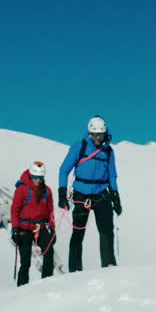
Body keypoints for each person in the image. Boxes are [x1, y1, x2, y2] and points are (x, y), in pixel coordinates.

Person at [58, 115, 121, 270]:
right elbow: (64, 170)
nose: (98, 138)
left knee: (107, 231)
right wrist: (62, 193)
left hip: (101, 193)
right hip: (81, 193)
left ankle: (109, 266)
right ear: (90, 133)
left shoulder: (108, 152)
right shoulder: (80, 147)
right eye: (95, 135)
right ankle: (74, 270)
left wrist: (115, 196)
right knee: (78, 233)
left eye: (100, 134)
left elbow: (112, 175)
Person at [11, 161, 56, 286]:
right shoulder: (22, 190)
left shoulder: (47, 191)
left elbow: (50, 211)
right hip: (24, 228)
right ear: (31, 175)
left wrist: (52, 228)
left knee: (49, 253)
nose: (39, 181)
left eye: (41, 178)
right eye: (36, 178)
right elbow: (15, 209)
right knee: (25, 261)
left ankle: (46, 283)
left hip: (41, 228)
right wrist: (15, 229)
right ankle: (21, 288)